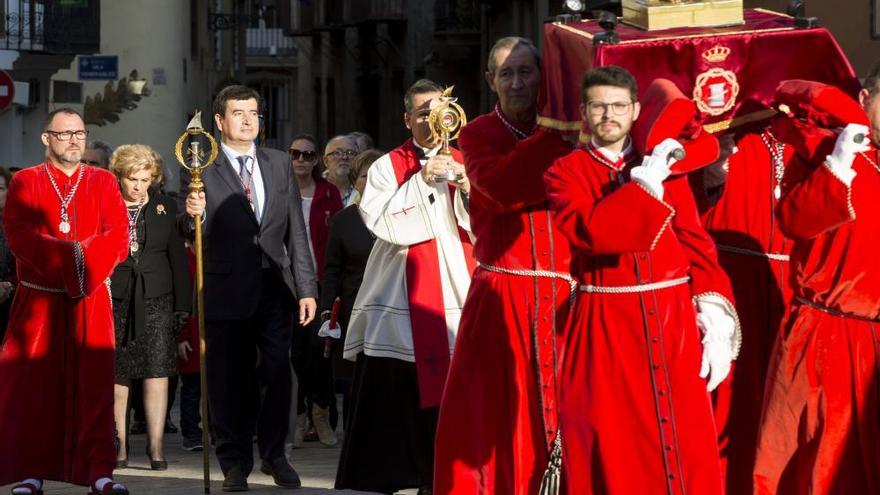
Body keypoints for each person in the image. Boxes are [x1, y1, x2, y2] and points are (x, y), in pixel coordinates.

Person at [543, 66, 739, 494]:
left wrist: (714, 312)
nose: (608, 115)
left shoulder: (666, 164)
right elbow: (594, 233)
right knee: (612, 443)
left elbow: (695, 242)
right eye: (598, 106)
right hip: (605, 322)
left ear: (634, 111)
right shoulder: (564, 173)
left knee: (682, 441)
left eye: (617, 105)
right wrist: (647, 182)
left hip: (673, 324)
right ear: (583, 113)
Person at [434, 36, 574, 495]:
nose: (517, 82)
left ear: (542, 77)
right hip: (504, 297)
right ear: (491, 81)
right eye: (507, 74)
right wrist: (554, 136)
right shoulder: (476, 135)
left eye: (526, 72)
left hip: (568, 300)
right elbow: (502, 189)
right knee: (496, 421)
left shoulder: (576, 130)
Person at [335, 79, 475, 495]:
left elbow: (486, 225)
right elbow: (379, 222)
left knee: (457, 387)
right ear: (407, 119)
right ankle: (391, 476)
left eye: (440, 111)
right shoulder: (387, 166)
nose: (433, 121)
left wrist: (469, 187)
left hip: (457, 284)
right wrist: (420, 179)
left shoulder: (469, 159)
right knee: (393, 392)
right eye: (422, 113)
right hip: (399, 288)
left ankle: (444, 478)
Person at [180, 85, 317, 492]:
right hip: (225, 289)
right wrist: (193, 216)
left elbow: (296, 230)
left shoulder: (278, 163)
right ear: (220, 121)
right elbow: (188, 231)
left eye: (254, 113)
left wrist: (306, 286)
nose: (248, 120)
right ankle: (234, 462)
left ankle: (275, 454)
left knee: (278, 373)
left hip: (275, 285)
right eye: (238, 113)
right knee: (228, 381)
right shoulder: (201, 165)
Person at [753, 70, 880, 495]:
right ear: (865, 97)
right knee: (817, 467)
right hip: (827, 334)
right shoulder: (820, 149)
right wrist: (838, 165)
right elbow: (793, 221)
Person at [0, 108, 130, 495]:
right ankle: (30, 471)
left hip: (91, 301)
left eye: (79, 133)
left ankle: (99, 472)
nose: (74, 140)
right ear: (46, 139)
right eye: (65, 134)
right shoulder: (25, 182)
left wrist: (82, 266)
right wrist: (73, 258)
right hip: (39, 302)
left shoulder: (105, 182)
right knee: (35, 390)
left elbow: (117, 235)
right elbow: (20, 236)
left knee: (94, 387)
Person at [693, 122, 796, 494]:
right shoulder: (727, 124)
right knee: (730, 409)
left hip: (789, 288)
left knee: (783, 415)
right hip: (732, 284)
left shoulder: (810, 132)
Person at [108, 144, 191, 471]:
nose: (138, 185)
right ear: (120, 177)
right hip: (117, 297)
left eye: (145, 179)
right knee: (119, 375)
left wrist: (183, 307)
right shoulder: (106, 204)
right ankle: (119, 446)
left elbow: (177, 259)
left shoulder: (165, 206)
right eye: (132, 179)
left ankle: (157, 448)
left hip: (158, 299)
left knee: (158, 374)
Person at [319, 148, 382, 429]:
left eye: (379, 176)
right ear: (355, 181)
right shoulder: (343, 221)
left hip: (389, 308)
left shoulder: (401, 216)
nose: (372, 182)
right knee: (354, 382)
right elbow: (332, 269)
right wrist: (325, 311)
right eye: (366, 176)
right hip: (353, 308)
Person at [288, 133, 343, 448]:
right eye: (296, 154)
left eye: (308, 155)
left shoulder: (329, 193)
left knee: (319, 351)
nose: (302, 161)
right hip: (291, 282)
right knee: (294, 354)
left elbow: (336, 241)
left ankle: (320, 414)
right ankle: (297, 417)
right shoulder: (282, 190)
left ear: (317, 160)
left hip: (322, 282)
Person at [0, 166, 15, 339]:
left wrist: (7, 286)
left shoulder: (16, 226)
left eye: (0, 189)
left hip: (8, 306)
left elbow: (24, 268)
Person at [323, 135, 359, 206]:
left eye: (350, 153)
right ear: (326, 161)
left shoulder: (364, 190)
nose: (344, 157)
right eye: (337, 153)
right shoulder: (314, 188)